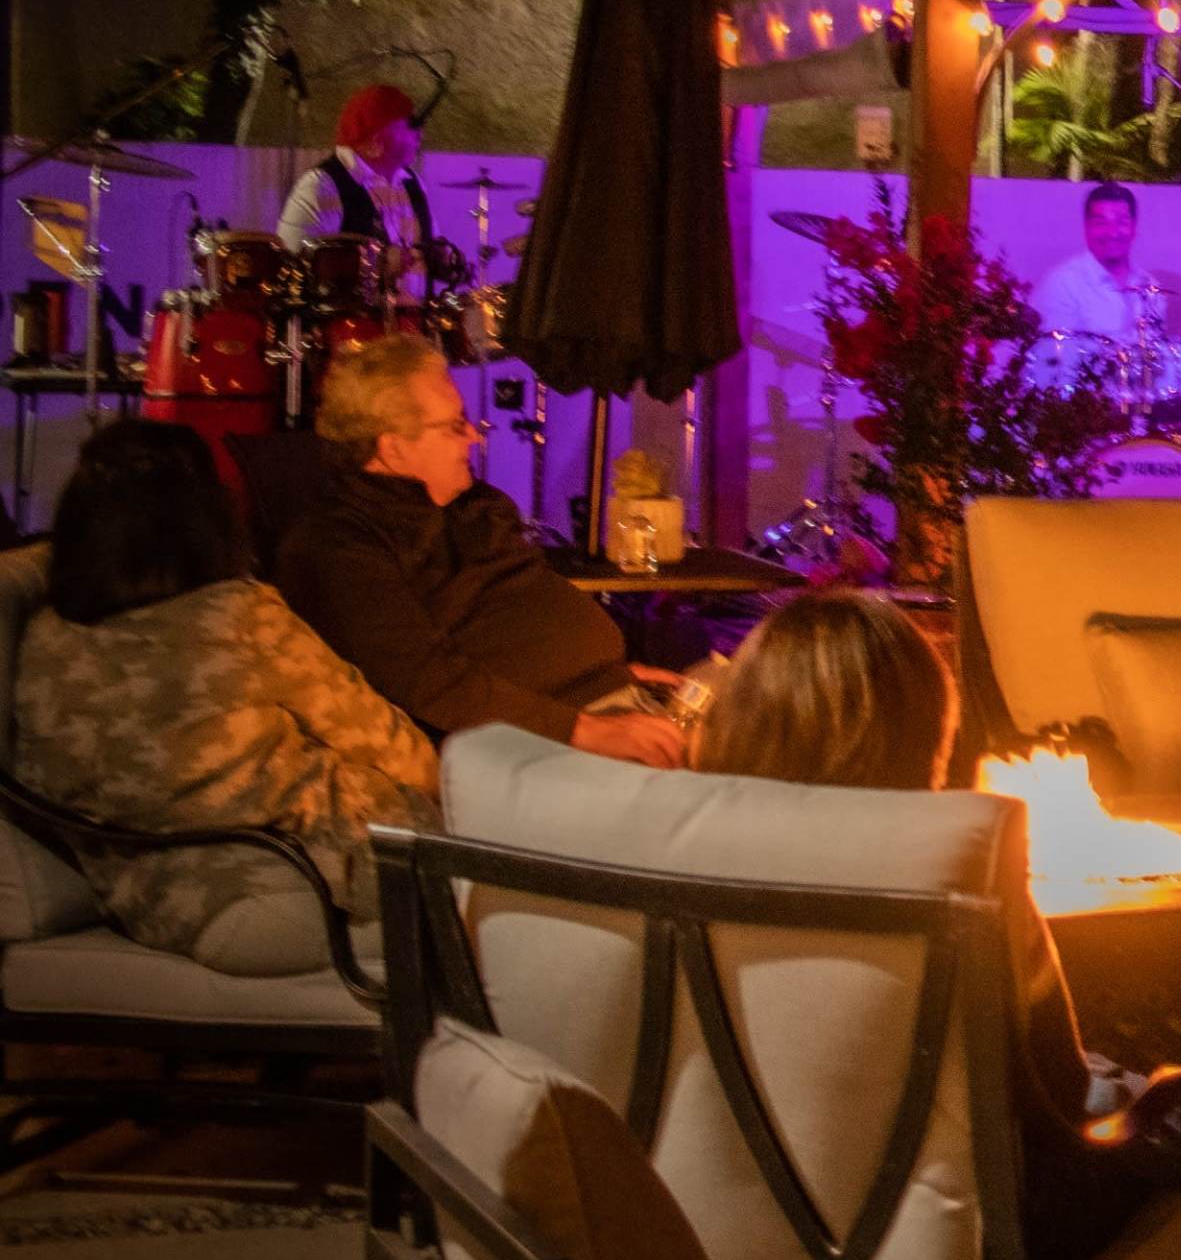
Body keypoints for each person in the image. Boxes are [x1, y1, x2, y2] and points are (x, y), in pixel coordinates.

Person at [692, 590, 1181, 1260]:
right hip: (966, 1239)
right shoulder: (966, 864)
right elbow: (1061, 1090)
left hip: (730, 1225)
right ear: (925, 728)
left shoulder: (682, 859)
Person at [12, 419, 439, 975]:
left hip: (164, 906)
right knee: (507, 914)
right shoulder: (239, 618)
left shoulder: (44, 639)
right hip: (304, 892)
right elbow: (398, 751)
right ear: (206, 520)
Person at [276, 332, 685, 766]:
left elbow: (518, 614)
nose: (474, 436)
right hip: (531, 752)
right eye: (456, 425)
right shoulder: (338, 545)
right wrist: (586, 730)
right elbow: (428, 681)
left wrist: (607, 676)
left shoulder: (470, 505)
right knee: (721, 789)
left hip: (604, 707)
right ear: (392, 447)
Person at [274, 81, 433, 252]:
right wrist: (383, 262)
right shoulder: (322, 187)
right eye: (411, 126)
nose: (419, 135)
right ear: (376, 143)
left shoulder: (412, 183)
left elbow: (430, 247)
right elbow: (295, 261)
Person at [1030, 180, 1162, 342]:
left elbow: (1154, 351)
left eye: (1122, 222)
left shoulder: (1150, 286)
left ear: (1134, 228)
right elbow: (1056, 353)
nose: (1112, 233)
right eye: (1101, 223)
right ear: (1086, 228)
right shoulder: (1061, 284)